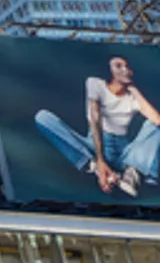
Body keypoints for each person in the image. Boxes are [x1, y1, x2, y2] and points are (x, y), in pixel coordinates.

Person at [35, 56, 160, 196]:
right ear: (109, 71)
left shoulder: (132, 98)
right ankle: (92, 166)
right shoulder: (95, 84)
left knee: (154, 125)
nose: (125, 70)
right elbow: (95, 120)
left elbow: (157, 120)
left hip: (123, 154)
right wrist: (100, 160)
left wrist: (135, 90)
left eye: (127, 67)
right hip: (94, 145)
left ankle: (131, 174)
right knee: (43, 117)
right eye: (118, 66)